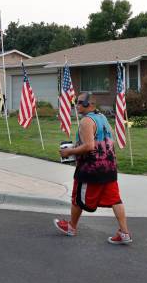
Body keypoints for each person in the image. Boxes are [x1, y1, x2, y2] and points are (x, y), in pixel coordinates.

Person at [54, 92, 132, 245]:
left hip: (91, 170)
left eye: (79, 102)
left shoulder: (86, 121)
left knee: (77, 198)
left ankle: (71, 227)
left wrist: (69, 152)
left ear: (88, 104)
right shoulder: (102, 118)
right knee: (115, 200)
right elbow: (108, 140)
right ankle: (124, 232)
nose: (76, 105)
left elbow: (89, 147)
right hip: (109, 168)